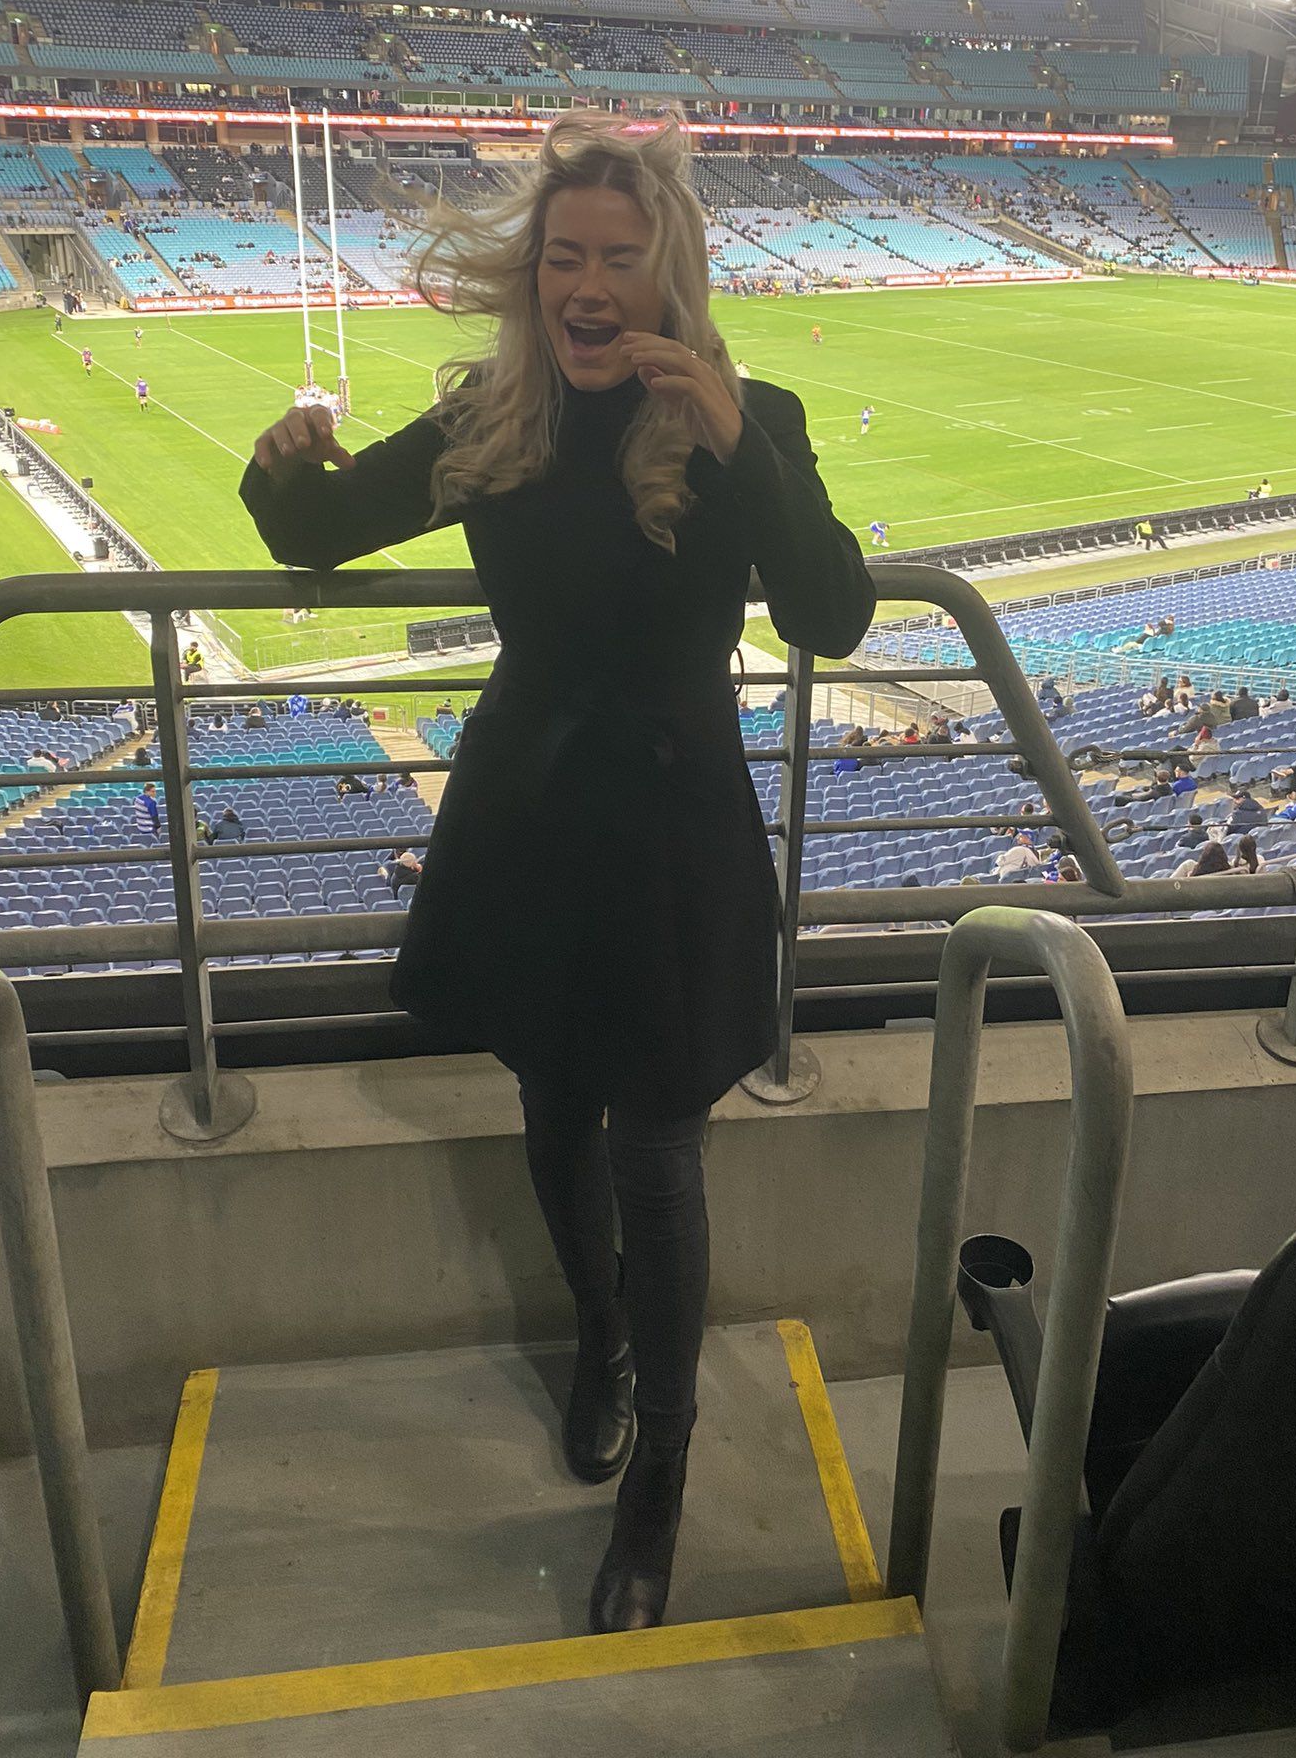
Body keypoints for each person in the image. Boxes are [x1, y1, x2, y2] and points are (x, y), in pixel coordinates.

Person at [241, 109, 876, 1635]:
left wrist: (733, 439)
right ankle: (600, 1339)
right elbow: (322, 533)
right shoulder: (494, 418)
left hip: (672, 835)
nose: (587, 286)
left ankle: (664, 1467)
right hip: (528, 822)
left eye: (619, 259)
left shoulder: (752, 418)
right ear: (537, 275)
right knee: (549, 1110)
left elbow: (833, 615)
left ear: (669, 275)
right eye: (563, 258)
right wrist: (281, 466)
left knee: (658, 1153)